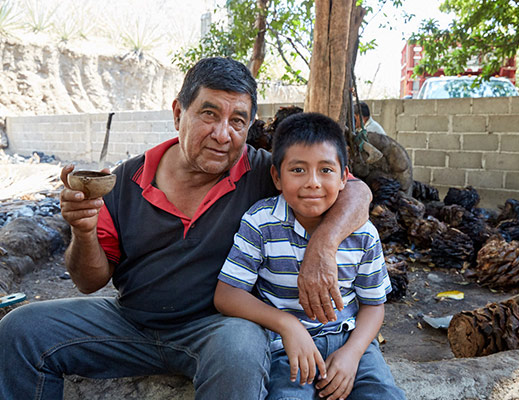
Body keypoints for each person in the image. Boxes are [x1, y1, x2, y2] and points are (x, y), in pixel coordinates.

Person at [0, 57, 372, 399]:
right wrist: (83, 231)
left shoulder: (264, 172)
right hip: (129, 324)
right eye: (209, 114)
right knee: (21, 330)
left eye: (238, 121)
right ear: (179, 112)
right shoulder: (127, 179)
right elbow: (88, 282)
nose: (223, 134)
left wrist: (322, 245)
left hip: (217, 330)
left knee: (242, 345)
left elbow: (357, 190)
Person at [214, 112, 405, 400]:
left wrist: (352, 355)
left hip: (352, 341)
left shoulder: (363, 233)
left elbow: (373, 305)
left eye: (326, 170)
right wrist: (286, 324)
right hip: (286, 348)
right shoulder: (260, 223)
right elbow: (227, 294)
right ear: (277, 177)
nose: (313, 182)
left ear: (344, 178)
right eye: (298, 170)